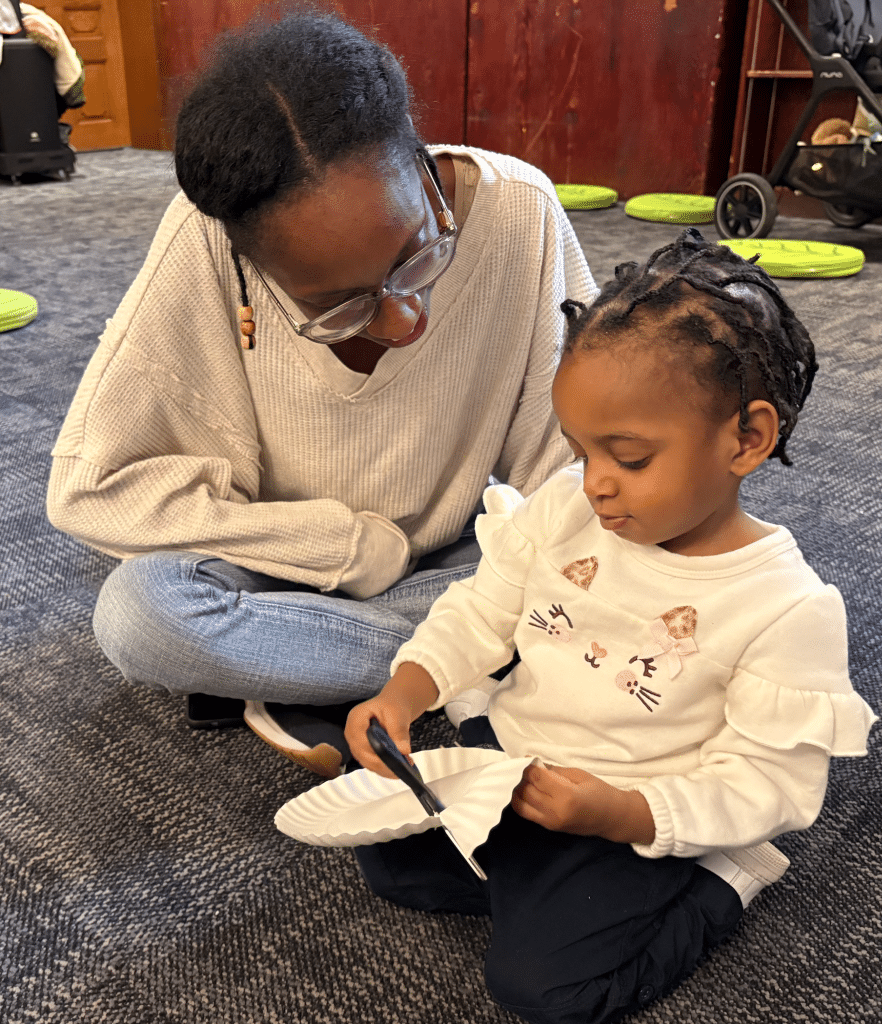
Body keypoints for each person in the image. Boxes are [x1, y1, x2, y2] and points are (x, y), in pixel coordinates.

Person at [344, 229, 878, 1024]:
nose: (594, 484)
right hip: (517, 762)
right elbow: (482, 609)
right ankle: (538, 886)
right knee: (383, 859)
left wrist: (624, 814)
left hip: (637, 808)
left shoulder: (786, 608)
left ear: (748, 439)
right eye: (581, 450)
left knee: (546, 990)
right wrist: (406, 691)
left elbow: (771, 786)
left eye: (628, 458)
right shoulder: (568, 504)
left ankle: (721, 882)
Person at [45, 13, 596, 776]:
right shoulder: (207, 238)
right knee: (141, 614)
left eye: (417, 254)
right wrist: (349, 550)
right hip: (285, 568)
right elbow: (91, 488)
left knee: (593, 559)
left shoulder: (520, 211)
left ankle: (303, 665)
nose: (404, 321)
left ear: (421, 160)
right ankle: (472, 655)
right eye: (338, 305)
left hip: (461, 555)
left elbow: (571, 469)